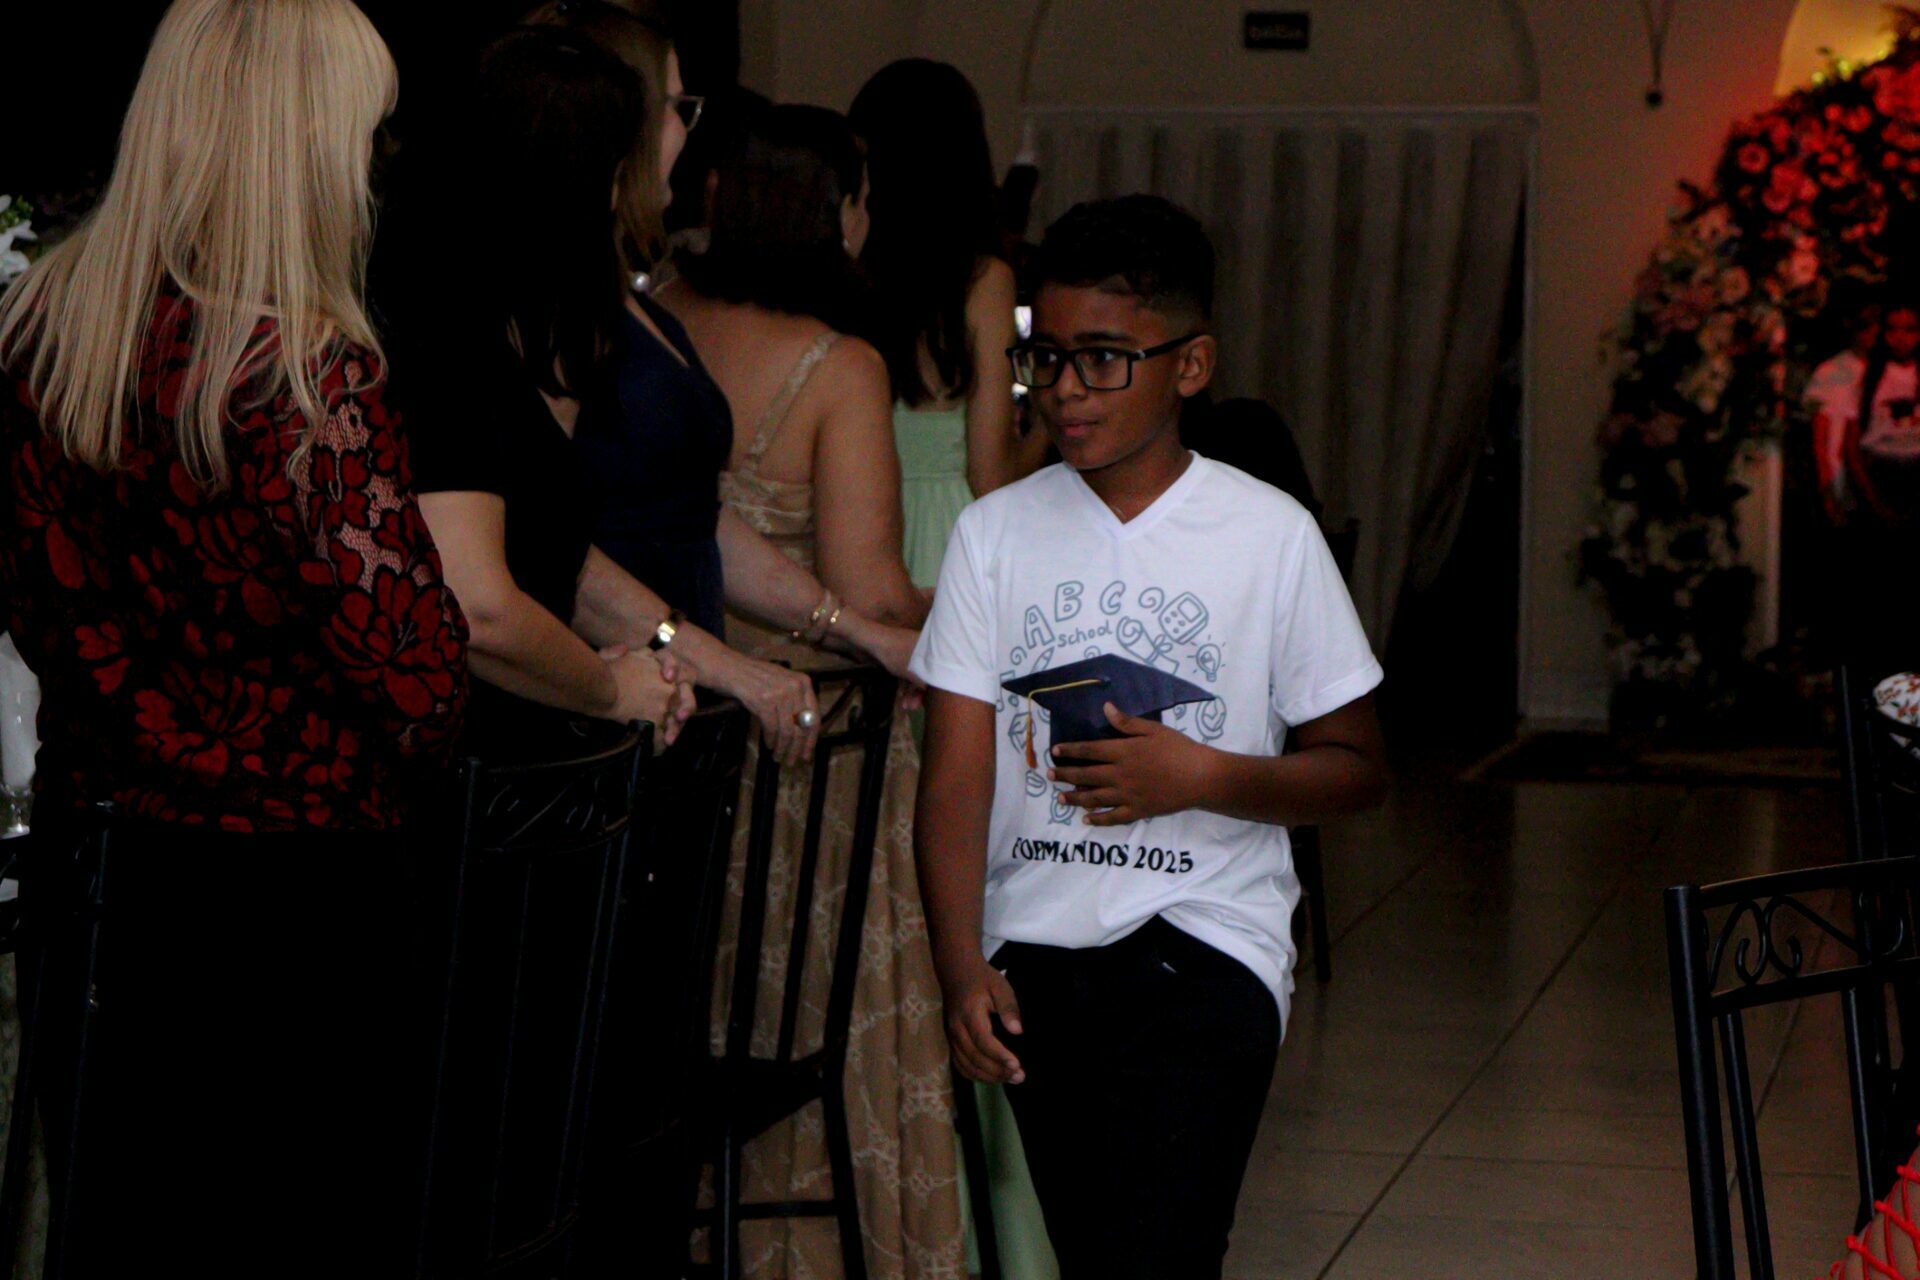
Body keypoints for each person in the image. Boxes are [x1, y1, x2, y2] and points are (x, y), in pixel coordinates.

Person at [0, 0, 465, 1270]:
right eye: (365, 133)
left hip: (103, 876)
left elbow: (43, 610)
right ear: (305, 144)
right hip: (297, 908)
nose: (372, 169)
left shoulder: (39, 336)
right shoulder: (301, 380)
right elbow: (420, 679)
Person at [910, 195, 1389, 1279]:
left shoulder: (1269, 536)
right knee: (1092, 1249)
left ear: (1191, 364)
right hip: (1030, 953)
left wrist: (1202, 774)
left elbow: (1359, 769)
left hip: (1207, 947)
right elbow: (953, 781)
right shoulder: (994, 536)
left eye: (1105, 359)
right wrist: (959, 964)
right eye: (1046, 359)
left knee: (1163, 1248)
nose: (1066, 391)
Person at [658, 105, 962, 1279]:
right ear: (829, 213)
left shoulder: (652, 319)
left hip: (666, 731)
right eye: (859, 198)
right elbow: (867, 585)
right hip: (802, 759)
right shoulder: (839, 365)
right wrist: (956, 607)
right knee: (807, 1018)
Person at [379, 24, 696, 764]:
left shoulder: (492, 330)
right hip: (468, 776)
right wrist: (610, 688)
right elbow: (477, 606)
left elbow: (546, 558)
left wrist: (670, 663)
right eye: (615, 170)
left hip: (510, 761)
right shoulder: (446, 342)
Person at [850, 59, 1048, 590]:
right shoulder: (982, 281)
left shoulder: (846, 272)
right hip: (946, 536)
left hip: (853, 528)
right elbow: (991, 477)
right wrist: (1048, 423)